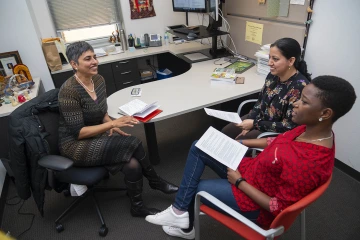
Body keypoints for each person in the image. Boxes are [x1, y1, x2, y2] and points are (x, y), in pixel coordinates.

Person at [145, 75, 356, 239]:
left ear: (325, 113)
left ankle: (185, 224)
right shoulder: (309, 130)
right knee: (201, 146)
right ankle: (180, 212)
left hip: (253, 199)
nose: (295, 104)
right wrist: (242, 143)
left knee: (197, 189)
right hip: (253, 171)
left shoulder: (309, 162)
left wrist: (239, 181)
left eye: (304, 101)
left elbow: (278, 207)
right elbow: (275, 142)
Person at [58, 41, 178, 218]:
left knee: (133, 164)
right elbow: (79, 133)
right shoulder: (68, 91)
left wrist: (108, 124)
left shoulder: (98, 80)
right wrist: (112, 124)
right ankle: (156, 181)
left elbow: (100, 110)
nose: (95, 62)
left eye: (95, 57)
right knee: (134, 142)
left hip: (96, 135)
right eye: (88, 59)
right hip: (75, 145)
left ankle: (137, 207)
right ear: (74, 64)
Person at [222, 38, 311, 140]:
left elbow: (288, 126)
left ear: (291, 61)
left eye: (275, 59)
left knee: (239, 141)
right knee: (226, 132)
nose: (269, 63)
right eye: (269, 58)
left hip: (275, 131)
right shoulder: (273, 75)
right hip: (259, 119)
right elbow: (260, 102)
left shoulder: (300, 87)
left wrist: (254, 124)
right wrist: (250, 120)